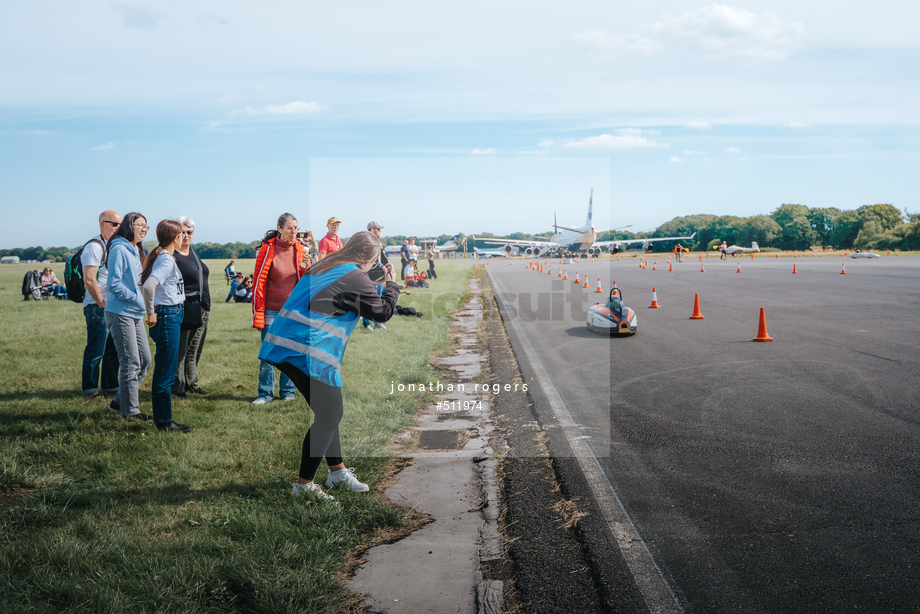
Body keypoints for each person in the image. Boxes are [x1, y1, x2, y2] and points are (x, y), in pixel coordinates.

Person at [259, 231, 399, 500]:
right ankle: (303, 486)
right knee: (330, 415)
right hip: (309, 352)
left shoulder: (328, 265)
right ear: (370, 256)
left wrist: (372, 281)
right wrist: (391, 285)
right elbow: (382, 312)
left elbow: (342, 297)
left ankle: (337, 472)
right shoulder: (354, 274)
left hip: (285, 346)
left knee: (326, 414)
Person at [252, 213, 310, 404]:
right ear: (279, 228)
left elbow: (304, 279)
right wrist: (258, 312)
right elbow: (259, 283)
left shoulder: (302, 249)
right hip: (271, 310)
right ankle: (265, 394)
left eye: (296, 228)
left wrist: (307, 266)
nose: (294, 232)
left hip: (293, 311)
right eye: (289, 228)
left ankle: (288, 392)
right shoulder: (267, 249)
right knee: (268, 353)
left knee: (291, 353)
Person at [141, 220, 192, 433]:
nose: (184, 237)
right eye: (182, 234)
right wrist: (150, 311)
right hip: (167, 315)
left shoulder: (164, 256)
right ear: (175, 238)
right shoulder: (166, 261)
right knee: (165, 372)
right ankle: (164, 421)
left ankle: (164, 418)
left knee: (167, 369)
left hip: (172, 313)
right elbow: (148, 285)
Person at [104, 213, 151, 421]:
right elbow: (114, 284)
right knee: (131, 362)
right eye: (140, 225)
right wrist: (138, 299)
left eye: (146, 226)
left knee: (145, 360)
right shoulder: (119, 248)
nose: (144, 229)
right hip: (120, 312)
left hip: (134, 313)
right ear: (128, 226)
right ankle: (130, 412)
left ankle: (117, 402)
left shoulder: (134, 249)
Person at [81, 210, 121, 398]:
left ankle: (110, 386)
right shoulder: (94, 247)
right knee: (96, 350)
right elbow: (89, 280)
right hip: (97, 306)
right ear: (101, 224)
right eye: (114, 224)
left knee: (113, 349)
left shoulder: (113, 246)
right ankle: (90, 389)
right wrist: (102, 303)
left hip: (112, 305)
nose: (118, 228)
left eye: (120, 224)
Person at [173, 216, 211, 398]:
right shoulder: (172, 255)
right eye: (182, 232)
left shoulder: (193, 252)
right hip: (184, 307)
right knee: (181, 349)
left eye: (189, 232)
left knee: (194, 348)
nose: (186, 235)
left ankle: (192, 382)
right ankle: (178, 386)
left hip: (201, 306)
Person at [362, 221, 389, 332]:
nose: (380, 231)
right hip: (370, 277)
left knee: (377, 301)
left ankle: (377, 323)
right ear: (372, 230)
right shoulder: (367, 242)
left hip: (378, 277)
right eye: (378, 229)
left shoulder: (377, 242)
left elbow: (380, 259)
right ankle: (366, 323)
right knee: (368, 301)